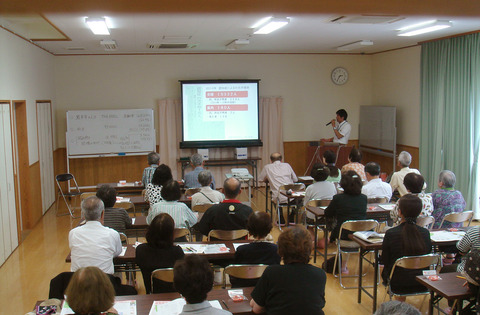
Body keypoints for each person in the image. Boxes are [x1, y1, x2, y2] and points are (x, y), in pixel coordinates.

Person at [250, 226, 327, 314]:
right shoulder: (320, 274)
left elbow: (256, 309)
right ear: (309, 249)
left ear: (281, 249)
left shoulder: (272, 272)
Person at [380, 194, 432, 299]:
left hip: (397, 282)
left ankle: (399, 303)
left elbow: (384, 260)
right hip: (422, 281)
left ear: (399, 212)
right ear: (419, 213)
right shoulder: (425, 233)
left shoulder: (391, 233)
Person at [325, 170, 367, 273]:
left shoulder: (338, 198)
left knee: (340, 226)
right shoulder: (363, 198)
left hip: (343, 238)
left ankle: (342, 266)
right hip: (361, 239)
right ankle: (343, 265)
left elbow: (328, 213)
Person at [69, 196, 122, 275]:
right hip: (105, 282)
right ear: (102, 214)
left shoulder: (73, 233)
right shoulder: (112, 234)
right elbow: (117, 252)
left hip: (79, 282)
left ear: (83, 214)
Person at [136, 213, 185, 294]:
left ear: (150, 230)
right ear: (172, 233)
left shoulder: (141, 250)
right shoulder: (177, 252)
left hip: (151, 293)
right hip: (175, 294)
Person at [232, 212, 281, 287]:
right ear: (269, 228)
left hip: (244, 286)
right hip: (268, 287)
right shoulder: (276, 249)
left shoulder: (242, 250)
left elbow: (235, 272)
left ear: (249, 229)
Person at [259, 152, 298, 224]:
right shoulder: (287, 165)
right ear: (281, 160)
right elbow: (295, 179)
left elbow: (260, 180)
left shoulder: (267, 167)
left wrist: (268, 179)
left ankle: (281, 219)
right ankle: (292, 217)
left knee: (275, 194)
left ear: (271, 161)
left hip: (278, 197)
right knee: (298, 198)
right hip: (291, 196)